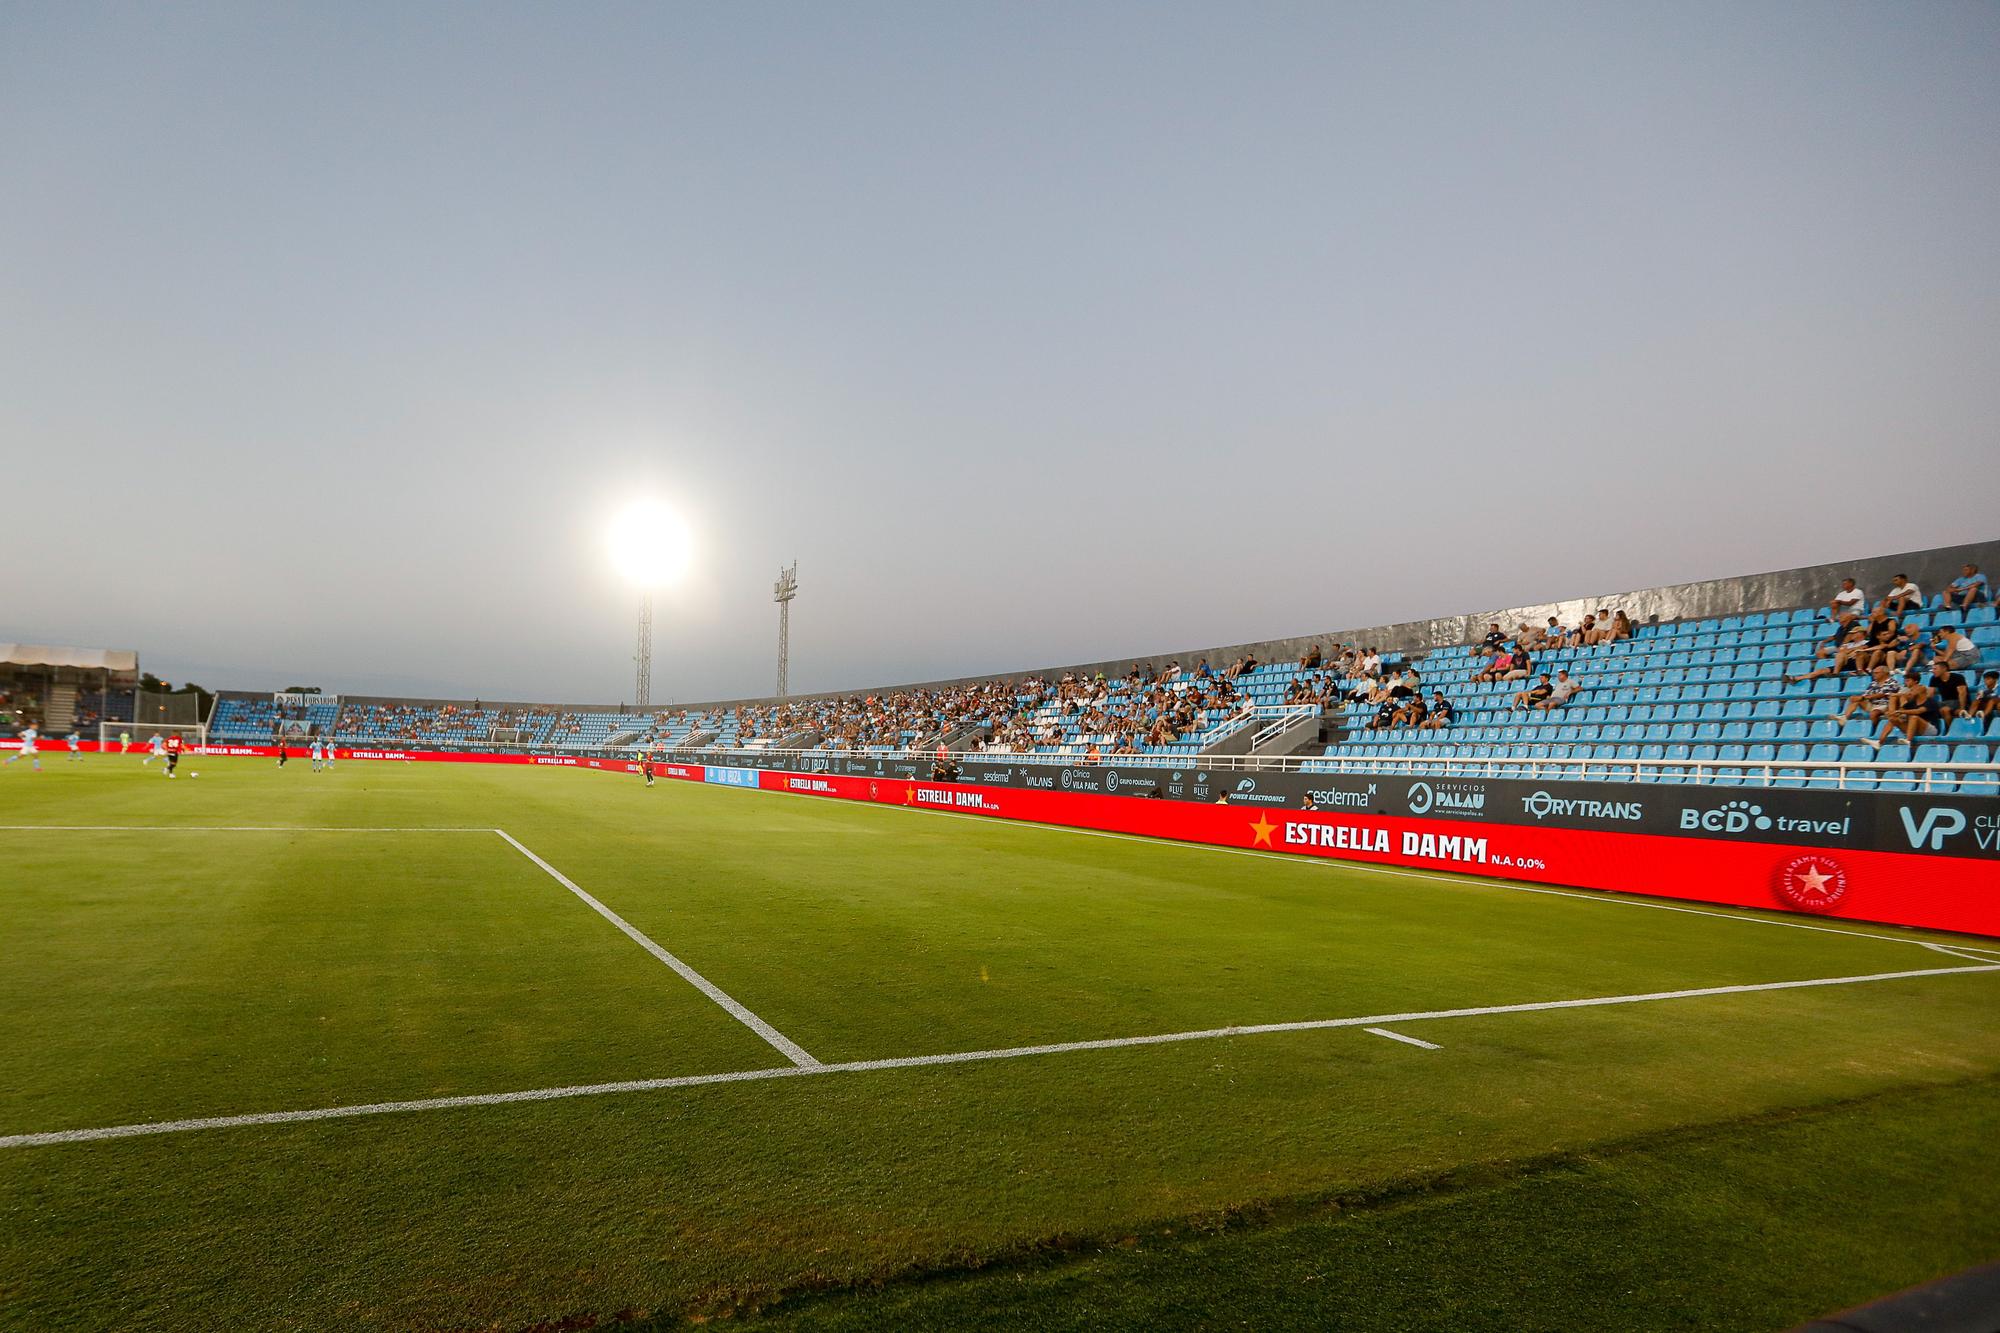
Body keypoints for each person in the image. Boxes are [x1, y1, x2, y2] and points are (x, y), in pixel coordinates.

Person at [1869, 672, 1938, 751]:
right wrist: (1893, 713)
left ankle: (1908, 741)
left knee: (1914, 717)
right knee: (1892, 720)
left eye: (1914, 689)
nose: (1910, 691)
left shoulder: (1930, 701)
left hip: (1930, 730)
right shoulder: (1912, 702)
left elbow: (1918, 711)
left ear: (1920, 691)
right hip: (1915, 729)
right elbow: (1902, 710)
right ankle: (1879, 742)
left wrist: (1900, 712)